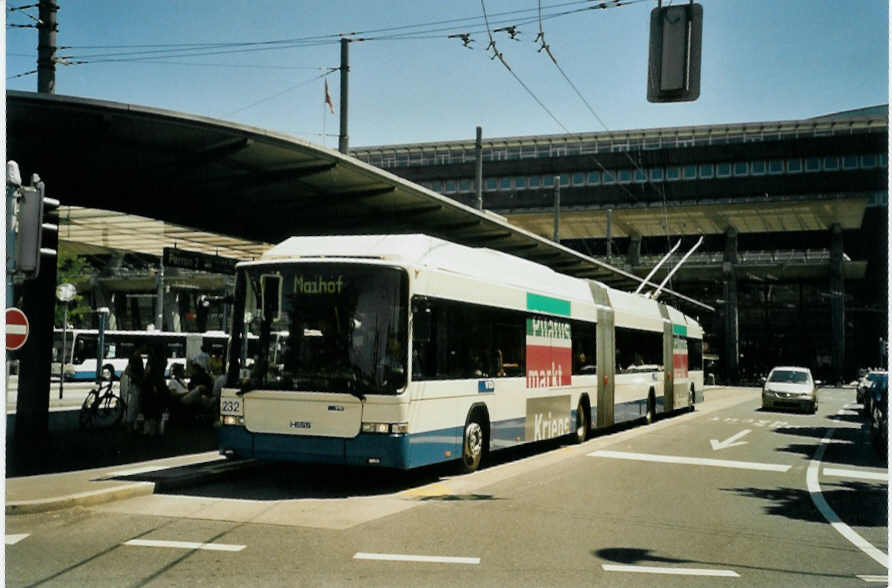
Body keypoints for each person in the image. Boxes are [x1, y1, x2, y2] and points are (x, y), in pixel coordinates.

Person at [120, 352, 145, 430]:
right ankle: (130, 425)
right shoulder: (135, 358)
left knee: (133, 405)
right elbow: (128, 371)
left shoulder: (135, 357)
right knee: (133, 405)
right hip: (135, 385)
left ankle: (132, 424)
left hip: (135, 384)